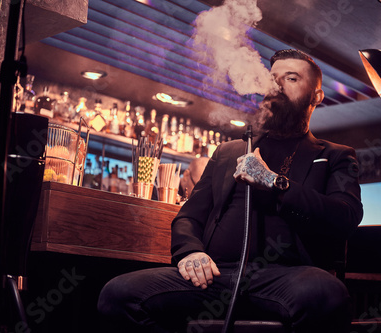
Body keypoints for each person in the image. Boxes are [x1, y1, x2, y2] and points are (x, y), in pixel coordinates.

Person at [98, 49, 363, 333]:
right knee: (118, 294)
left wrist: (275, 183)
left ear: (317, 96)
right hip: (215, 276)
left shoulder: (335, 156)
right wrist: (189, 252)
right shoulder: (229, 152)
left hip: (287, 278)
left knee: (327, 296)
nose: (277, 86)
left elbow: (345, 217)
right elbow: (189, 217)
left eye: (292, 78)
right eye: (273, 78)